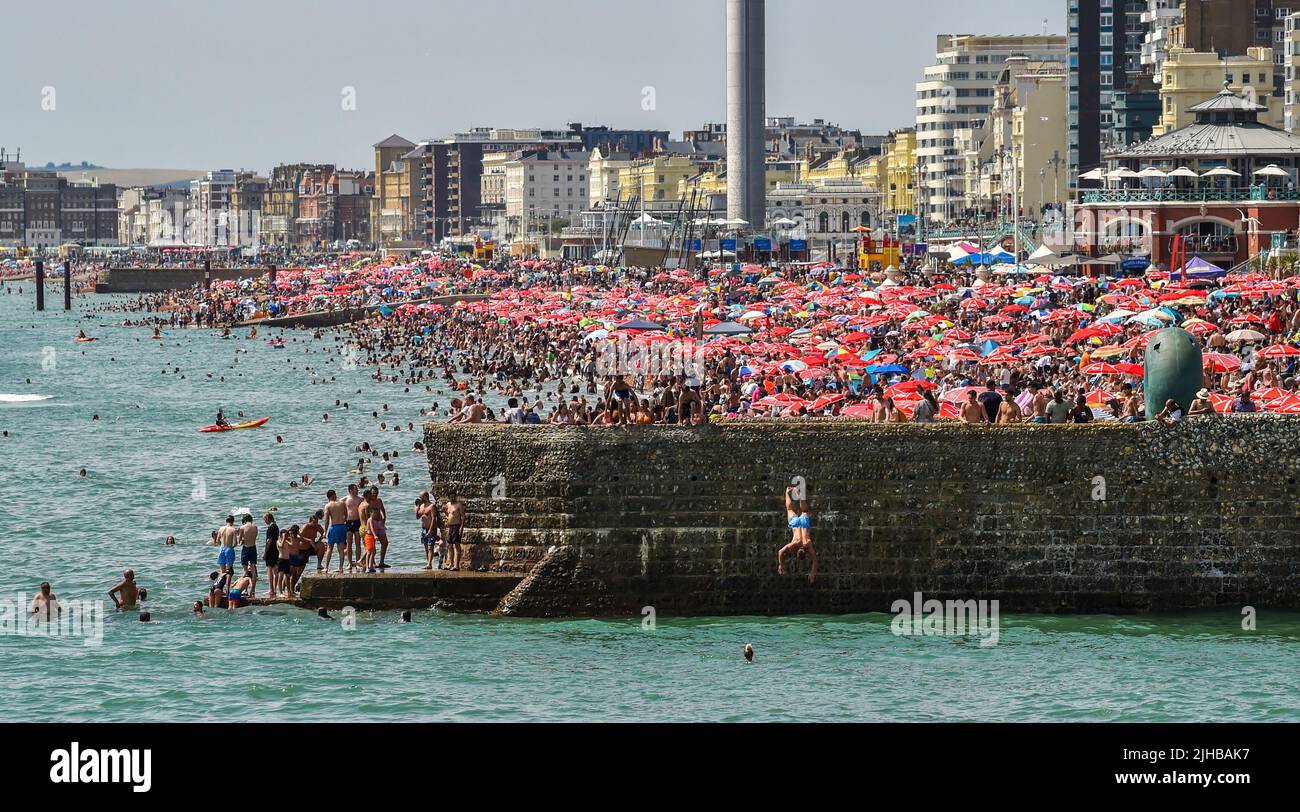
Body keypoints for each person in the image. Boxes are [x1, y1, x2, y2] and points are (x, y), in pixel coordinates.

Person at [777, 484, 817, 583]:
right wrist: (781, 564)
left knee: (804, 511)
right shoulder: (795, 545)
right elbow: (780, 552)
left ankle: (799, 494)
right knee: (790, 509)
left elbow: (815, 562)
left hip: (804, 524)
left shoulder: (808, 544)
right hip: (795, 524)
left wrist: (813, 573)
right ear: (796, 552)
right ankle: (787, 492)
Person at [323, 490, 349, 573]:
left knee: (330, 548)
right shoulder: (342, 503)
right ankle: (341, 568)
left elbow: (326, 520)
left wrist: (325, 531)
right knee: (341, 549)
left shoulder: (328, 505)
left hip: (333, 527)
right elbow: (346, 515)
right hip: (342, 526)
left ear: (328, 497)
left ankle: (326, 568)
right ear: (334, 495)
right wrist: (342, 521)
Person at [417, 492, 440, 571]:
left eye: (421, 497)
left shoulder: (431, 506)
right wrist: (417, 508)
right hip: (423, 529)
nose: (420, 499)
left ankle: (429, 564)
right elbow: (417, 517)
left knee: (430, 547)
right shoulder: (422, 506)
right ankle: (428, 563)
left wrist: (430, 529)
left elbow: (434, 518)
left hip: (431, 528)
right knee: (426, 547)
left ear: (426, 497)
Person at [443, 492, 465, 572]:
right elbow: (448, 515)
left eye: (454, 497)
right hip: (450, 527)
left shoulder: (459, 505)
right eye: (451, 497)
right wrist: (444, 511)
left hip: (457, 526)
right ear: (448, 498)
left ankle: (456, 565)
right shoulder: (448, 504)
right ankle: (451, 563)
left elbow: (463, 516)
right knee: (449, 545)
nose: (452, 498)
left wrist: (461, 527)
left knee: (457, 545)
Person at [263, 512, 281, 597]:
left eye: (265, 519)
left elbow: (268, 541)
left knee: (269, 569)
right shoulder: (276, 527)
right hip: (276, 550)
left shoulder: (270, 528)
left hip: (270, 550)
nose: (264, 521)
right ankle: (274, 589)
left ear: (268, 519)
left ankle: (271, 589)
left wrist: (265, 552)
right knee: (275, 569)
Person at [239, 514, 259, 590]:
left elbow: (240, 541)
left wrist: (243, 539)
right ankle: (253, 590)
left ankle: (245, 589)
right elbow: (255, 537)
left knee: (245, 570)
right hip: (253, 548)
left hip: (246, 548)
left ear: (244, 520)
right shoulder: (255, 527)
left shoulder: (242, 527)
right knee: (253, 570)